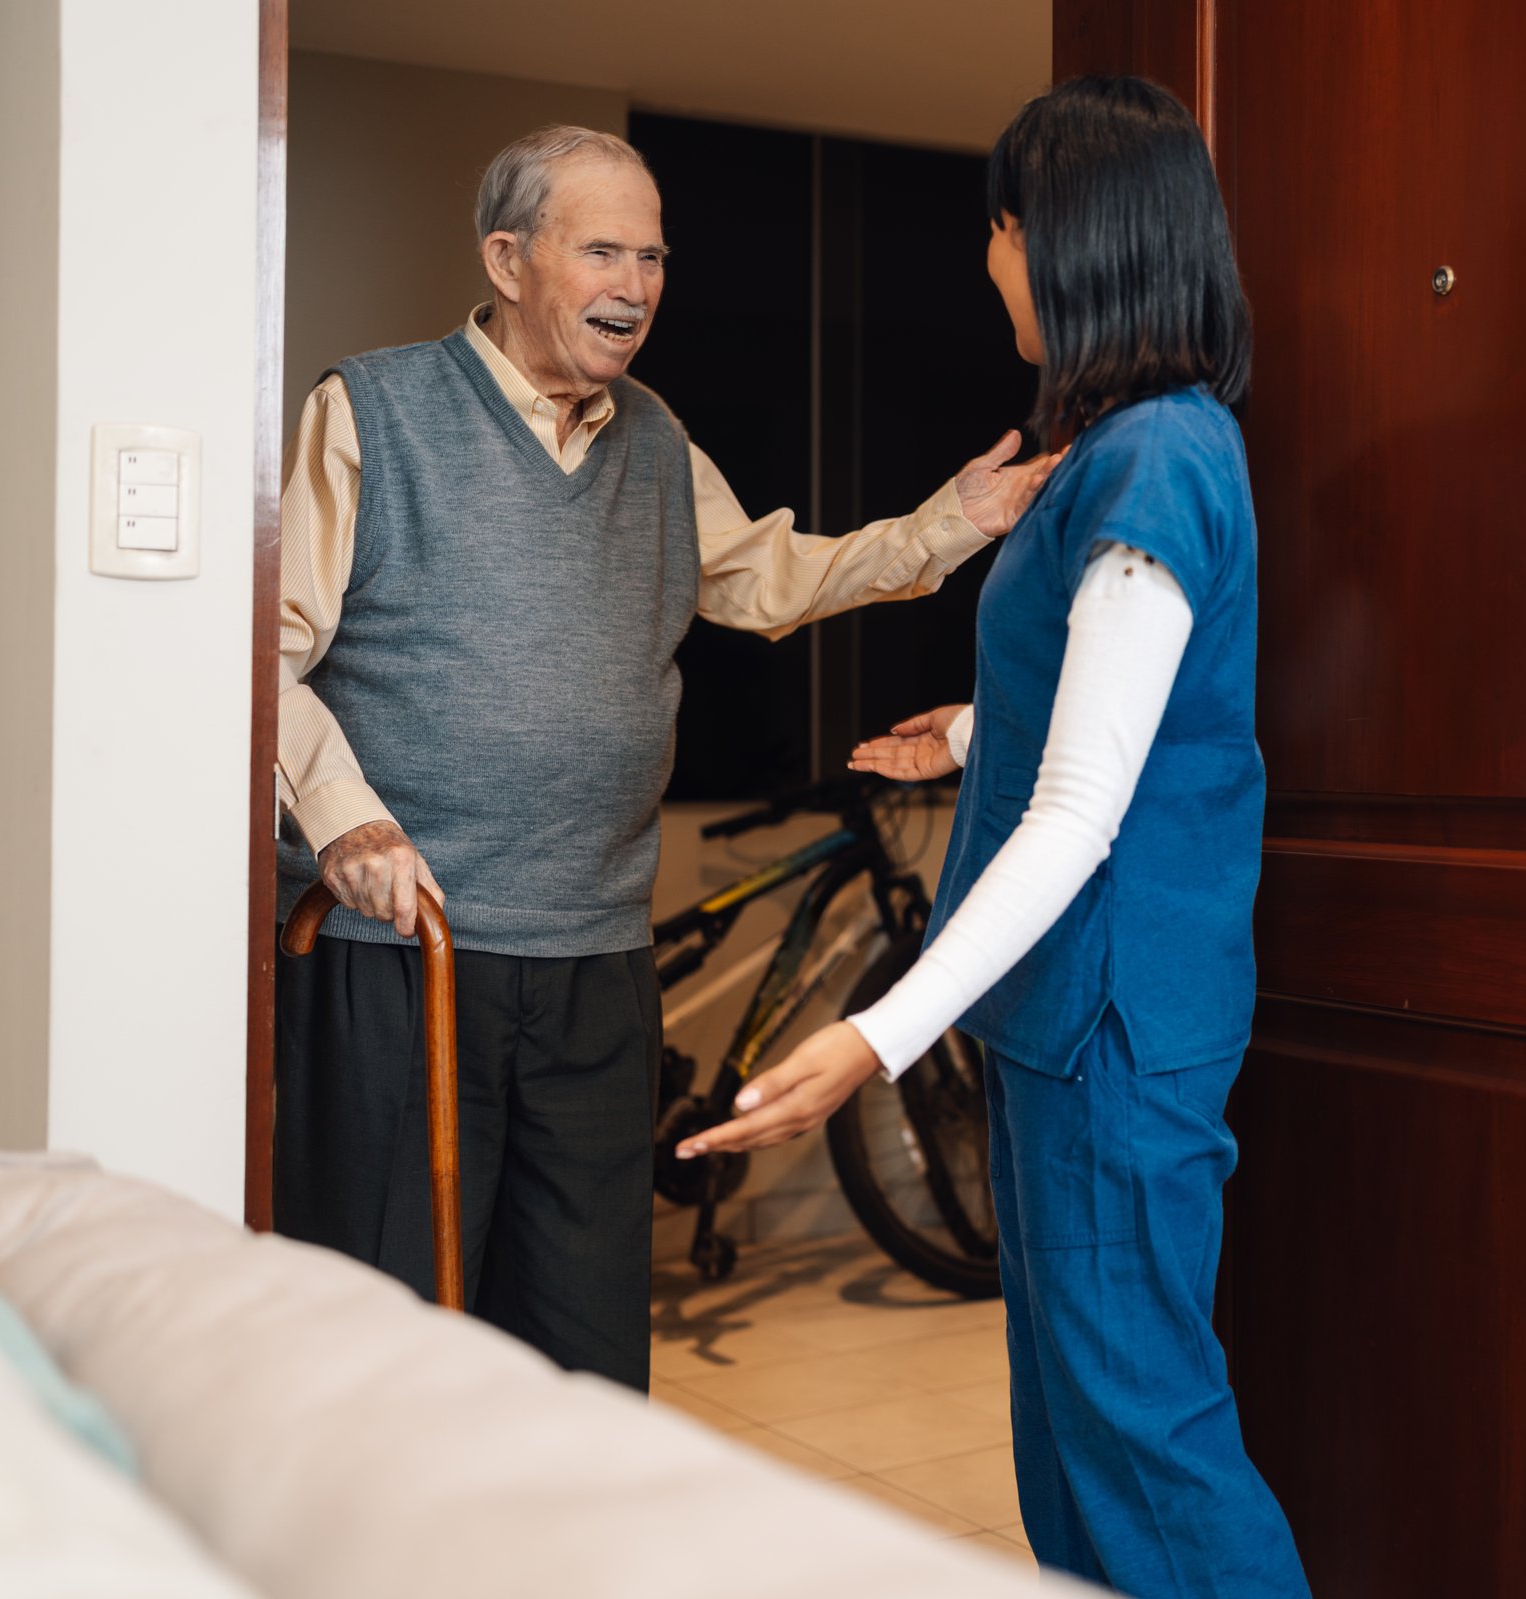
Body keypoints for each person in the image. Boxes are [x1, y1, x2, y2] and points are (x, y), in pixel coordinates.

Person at [272, 125, 1053, 1393]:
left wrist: (947, 525)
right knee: (389, 1341)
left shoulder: (651, 434)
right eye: (601, 252)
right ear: (508, 257)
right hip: (407, 951)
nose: (634, 285)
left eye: (654, 255)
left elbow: (765, 580)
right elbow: (267, 656)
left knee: (584, 1346)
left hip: (596, 954)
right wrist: (348, 823)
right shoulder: (372, 410)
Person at [677, 78, 1309, 1599]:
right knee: (1075, 1442)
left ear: (1079, 241)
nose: (988, 259)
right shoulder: (1121, 448)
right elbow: (1127, 716)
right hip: (1071, 1025)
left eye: (1006, 225)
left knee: (1147, 1443)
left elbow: (1085, 812)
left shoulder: (1156, 456)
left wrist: (875, 1036)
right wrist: (970, 730)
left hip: (1109, 1023)